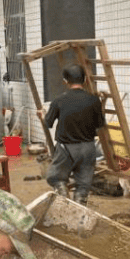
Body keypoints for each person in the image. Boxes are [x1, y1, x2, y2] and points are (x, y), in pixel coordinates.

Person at [37, 64, 106, 205]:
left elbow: (48, 123)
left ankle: (62, 194)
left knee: (55, 177)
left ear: (65, 81)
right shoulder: (94, 100)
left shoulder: (59, 100)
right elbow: (100, 125)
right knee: (83, 184)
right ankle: (79, 207)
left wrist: (42, 116)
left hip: (66, 148)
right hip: (88, 148)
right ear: (85, 80)